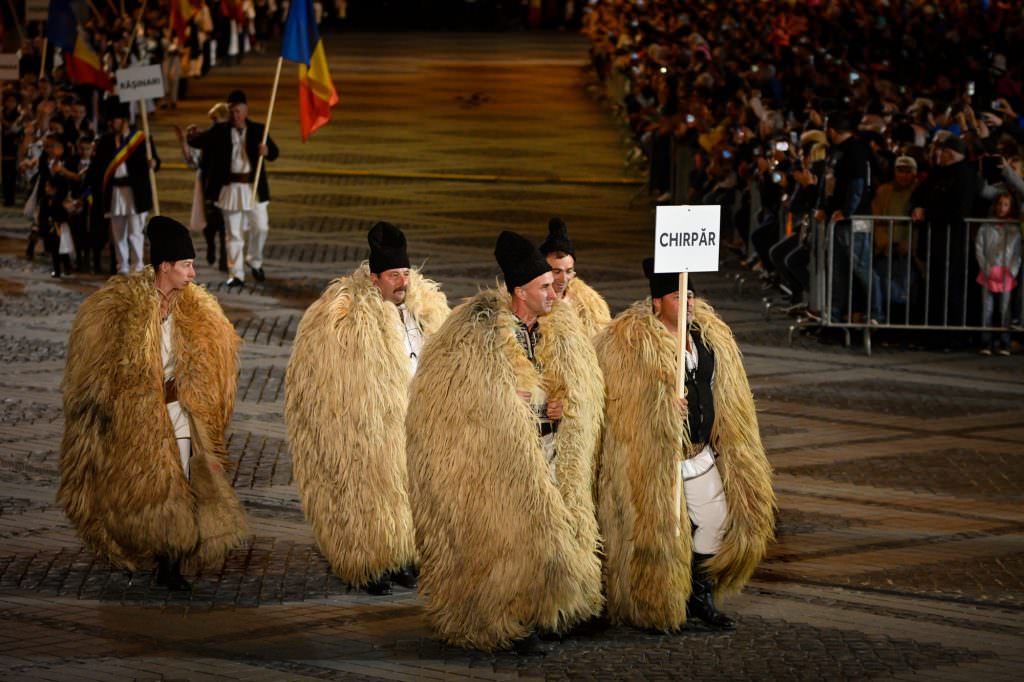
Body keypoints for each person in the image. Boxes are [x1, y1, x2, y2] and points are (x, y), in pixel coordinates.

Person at [405, 230, 604, 651]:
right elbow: (455, 396)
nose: (555, 291)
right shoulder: (475, 335)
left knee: (559, 532)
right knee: (511, 541)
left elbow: (578, 384)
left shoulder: (559, 329)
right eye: (545, 286)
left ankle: (556, 609)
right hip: (501, 462)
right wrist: (505, 402)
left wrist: (562, 404)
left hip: (550, 450)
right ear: (520, 292)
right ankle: (503, 620)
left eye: (554, 284)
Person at [59, 216, 247, 590]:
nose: (193, 273)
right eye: (187, 265)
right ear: (166, 267)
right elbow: (97, 369)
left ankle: (173, 562)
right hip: (138, 419)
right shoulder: (123, 309)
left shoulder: (198, 312)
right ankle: (158, 553)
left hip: (180, 411)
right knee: (147, 489)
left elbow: (217, 360)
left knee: (185, 480)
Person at [593, 259, 775, 633]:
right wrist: (658, 404)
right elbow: (619, 403)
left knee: (716, 524)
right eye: (679, 296)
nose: (688, 303)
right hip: (661, 460)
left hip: (700, 452)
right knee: (661, 534)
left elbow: (725, 394)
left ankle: (700, 593)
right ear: (658, 303)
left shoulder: (707, 341)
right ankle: (656, 603)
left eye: (690, 295)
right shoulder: (631, 346)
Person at [285, 222, 449, 595]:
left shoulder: (424, 309)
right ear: (375, 278)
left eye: (405, 274)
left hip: (416, 417)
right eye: (394, 275)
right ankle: (370, 564)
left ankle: (405, 556)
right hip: (371, 422)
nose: (402, 282)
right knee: (369, 497)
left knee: (410, 492)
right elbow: (326, 374)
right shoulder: (346, 315)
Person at [187, 89, 279, 287]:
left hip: (253, 188)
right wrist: (190, 135)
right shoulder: (220, 131)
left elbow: (275, 153)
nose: (234, 115)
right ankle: (236, 273)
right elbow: (200, 141)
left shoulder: (258, 129)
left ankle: (255, 261)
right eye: (231, 111)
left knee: (261, 227)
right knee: (233, 233)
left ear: (245, 111)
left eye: (238, 111)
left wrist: (267, 150)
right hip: (230, 189)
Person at [87, 96, 160, 275]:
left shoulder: (142, 139)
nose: (112, 123)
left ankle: (138, 267)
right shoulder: (105, 141)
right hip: (115, 192)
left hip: (135, 192)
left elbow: (156, 161)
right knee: (118, 232)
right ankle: (123, 266)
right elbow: (97, 168)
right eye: (110, 120)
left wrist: (154, 164)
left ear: (125, 120)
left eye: (115, 119)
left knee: (135, 232)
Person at [539, 216, 611, 337]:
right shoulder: (530, 302)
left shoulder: (590, 305)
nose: (563, 279)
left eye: (569, 271)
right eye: (556, 272)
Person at [975, 191, 1021, 355]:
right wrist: (985, 267)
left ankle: (1004, 341)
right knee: (987, 309)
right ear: (995, 206)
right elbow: (979, 248)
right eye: (1000, 204)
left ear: (1010, 207)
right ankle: (986, 342)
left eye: (1006, 205)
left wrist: (1012, 272)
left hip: (1006, 274)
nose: (1002, 208)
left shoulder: (1015, 229)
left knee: (1004, 309)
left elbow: (1017, 254)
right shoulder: (986, 226)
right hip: (988, 272)